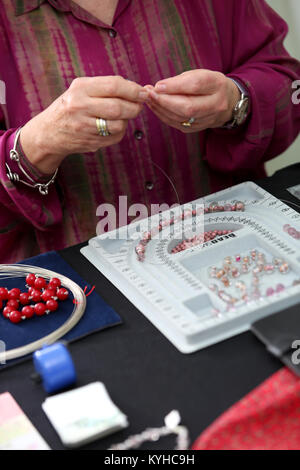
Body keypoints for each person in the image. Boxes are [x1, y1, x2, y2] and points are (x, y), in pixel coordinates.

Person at [0, 0, 299, 263]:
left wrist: (237, 100)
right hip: (75, 299)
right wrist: (36, 145)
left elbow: (290, 86)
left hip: (236, 251)